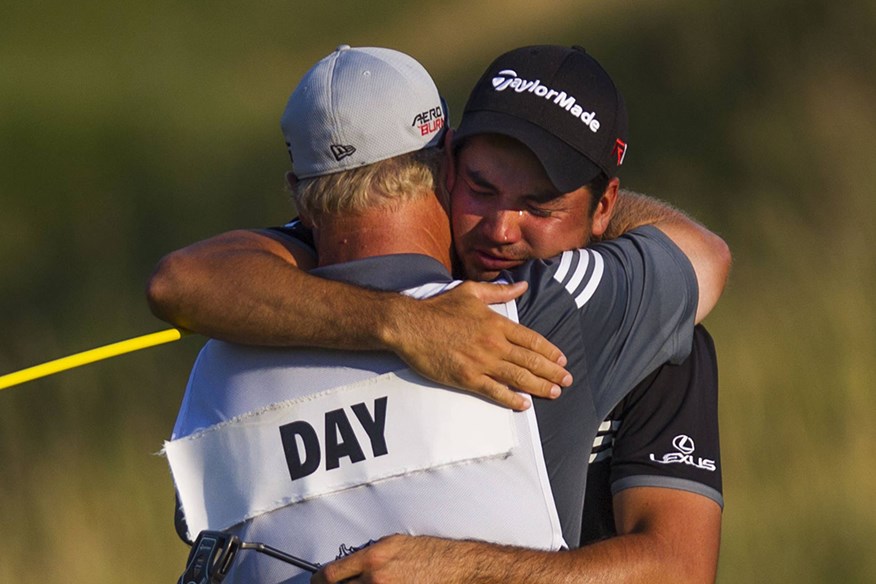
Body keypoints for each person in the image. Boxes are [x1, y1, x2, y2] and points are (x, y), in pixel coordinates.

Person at [154, 45, 730, 583]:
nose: (501, 230)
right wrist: (405, 323)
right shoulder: (541, 309)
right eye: (482, 187)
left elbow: (181, 280)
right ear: (447, 164)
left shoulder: (220, 358)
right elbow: (704, 254)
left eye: (539, 204)